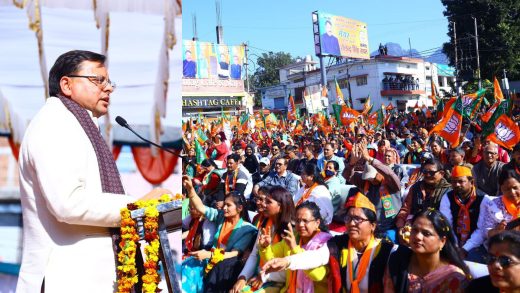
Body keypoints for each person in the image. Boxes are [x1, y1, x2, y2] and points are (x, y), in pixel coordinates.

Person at [16, 50, 171, 292]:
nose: (108, 88)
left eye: (109, 82)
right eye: (98, 80)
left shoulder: (79, 124)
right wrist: (138, 205)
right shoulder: (53, 124)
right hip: (67, 279)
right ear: (66, 85)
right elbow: (69, 203)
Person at [261, 193, 396, 293]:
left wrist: (291, 254)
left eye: (358, 219)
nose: (352, 223)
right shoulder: (338, 244)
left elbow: (318, 275)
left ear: (372, 225)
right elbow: (317, 257)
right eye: (348, 218)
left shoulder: (386, 250)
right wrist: (287, 260)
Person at [182, 176, 257, 293]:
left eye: (228, 205)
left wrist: (210, 255)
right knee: (185, 269)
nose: (224, 208)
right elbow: (200, 208)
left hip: (225, 267)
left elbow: (234, 254)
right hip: (209, 258)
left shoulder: (248, 230)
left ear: (240, 208)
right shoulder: (221, 217)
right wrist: (190, 189)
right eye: (224, 204)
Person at [385, 209, 471, 292]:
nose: (418, 237)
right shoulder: (399, 260)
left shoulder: (453, 277)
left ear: (442, 241)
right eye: (414, 230)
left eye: (426, 233)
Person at [231, 186, 295, 293]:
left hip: (278, 280)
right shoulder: (265, 224)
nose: (264, 205)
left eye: (268, 202)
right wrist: (243, 277)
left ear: (281, 207)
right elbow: (254, 255)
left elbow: (288, 267)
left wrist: (264, 277)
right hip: (260, 274)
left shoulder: (291, 231)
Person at [258, 201, 332, 292]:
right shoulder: (293, 237)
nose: (300, 225)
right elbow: (271, 258)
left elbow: (318, 275)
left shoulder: (325, 243)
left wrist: (294, 248)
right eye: (297, 221)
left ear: (317, 223)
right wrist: (265, 247)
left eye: (305, 221)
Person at [343, 142, 402, 242]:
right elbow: (347, 175)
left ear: (379, 173)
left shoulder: (392, 184)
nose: (371, 181)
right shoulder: (366, 182)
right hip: (371, 226)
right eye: (368, 179)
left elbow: (389, 173)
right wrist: (352, 163)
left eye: (373, 178)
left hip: (389, 227)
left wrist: (369, 159)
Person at [439, 166, 489, 263]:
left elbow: (481, 230)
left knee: (472, 260)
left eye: (461, 181)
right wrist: (456, 247)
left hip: (476, 243)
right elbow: (446, 225)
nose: (457, 185)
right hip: (453, 241)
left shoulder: (483, 199)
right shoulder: (447, 197)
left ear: (471, 182)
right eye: (453, 182)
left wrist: (465, 248)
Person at [396, 158, 451, 235]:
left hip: (435, 232)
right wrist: (400, 228)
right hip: (412, 227)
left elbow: (446, 220)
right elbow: (405, 210)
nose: (428, 175)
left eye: (432, 173)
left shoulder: (448, 192)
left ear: (441, 174)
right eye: (425, 172)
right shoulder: (415, 187)